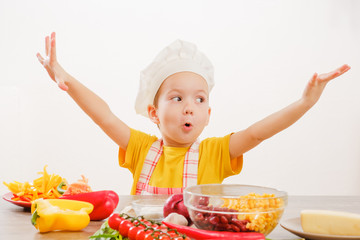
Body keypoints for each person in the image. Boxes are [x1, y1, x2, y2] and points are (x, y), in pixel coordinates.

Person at [37, 32, 351, 195]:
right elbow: (104, 115)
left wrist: (304, 103)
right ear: (153, 113)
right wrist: (66, 79)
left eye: (199, 100)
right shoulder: (141, 149)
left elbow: (258, 132)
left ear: (209, 113)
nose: (190, 106)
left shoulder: (215, 152)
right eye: (176, 98)